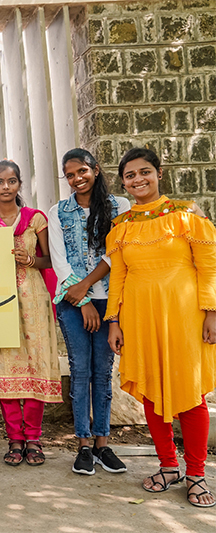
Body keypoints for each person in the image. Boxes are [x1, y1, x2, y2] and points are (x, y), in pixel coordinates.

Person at [106, 147, 216, 507]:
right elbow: (118, 277)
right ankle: (169, 466)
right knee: (152, 391)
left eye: (144, 172)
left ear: (159, 173)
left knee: (190, 393)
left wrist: (211, 312)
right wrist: (114, 322)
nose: (138, 180)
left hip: (185, 317)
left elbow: (208, 266)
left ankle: (196, 473)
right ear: (123, 182)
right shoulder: (121, 227)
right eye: (130, 175)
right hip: (139, 317)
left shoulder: (187, 215)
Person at [48, 148, 131, 476]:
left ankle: (103, 443)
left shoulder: (118, 207)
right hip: (71, 301)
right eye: (70, 174)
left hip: (109, 299)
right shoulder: (58, 211)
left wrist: (90, 290)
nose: (77, 178)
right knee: (80, 371)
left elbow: (117, 253)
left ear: (95, 169)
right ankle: (83, 444)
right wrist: (81, 300)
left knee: (103, 372)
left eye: (82, 170)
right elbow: (59, 259)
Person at [0, 160, 61, 467]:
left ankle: (34, 438)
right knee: (6, 367)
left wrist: (31, 260)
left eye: (11, 181)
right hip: (1, 302)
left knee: (34, 365)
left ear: (19, 185)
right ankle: (14, 438)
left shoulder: (35, 219)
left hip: (34, 300)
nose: (6, 187)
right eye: (0, 182)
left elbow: (51, 260)